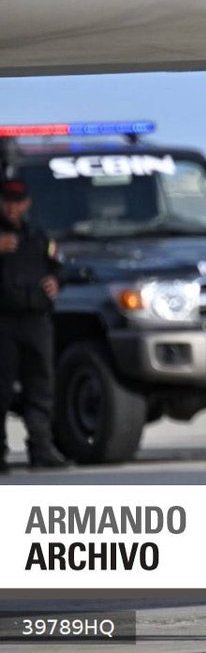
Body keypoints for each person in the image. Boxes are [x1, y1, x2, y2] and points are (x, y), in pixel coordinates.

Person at [0, 178, 69, 473]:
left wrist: (55, 281)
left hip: (36, 321)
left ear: (27, 203)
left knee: (40, 385)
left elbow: (59, 266)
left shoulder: (38, 237)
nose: (12, 207)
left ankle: (41, 447)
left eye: (18, 202)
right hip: (3, 321)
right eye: (8, 201)